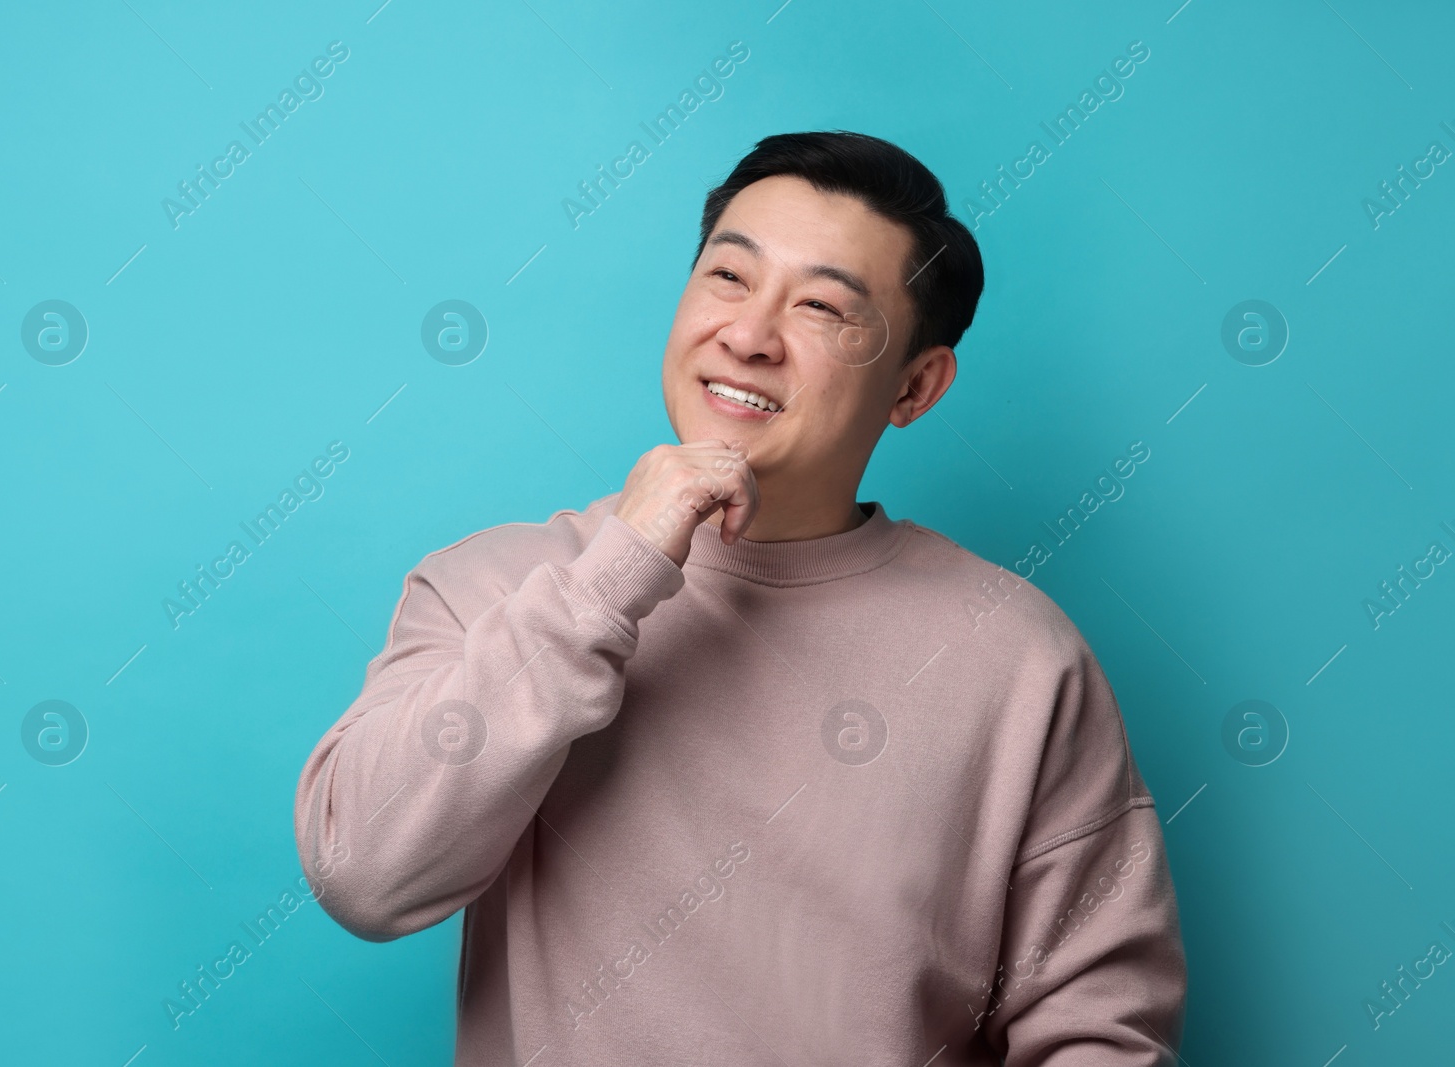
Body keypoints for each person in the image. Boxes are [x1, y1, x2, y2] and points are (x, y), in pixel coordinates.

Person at [294, 130, 1187, 1065]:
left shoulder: (1017, 656)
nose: (751, 336)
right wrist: (617, 573)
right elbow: (364, 873)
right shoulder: (496, 585)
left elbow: (1098, 1027)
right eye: (728, 277)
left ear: (914, 387)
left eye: (822, 307)